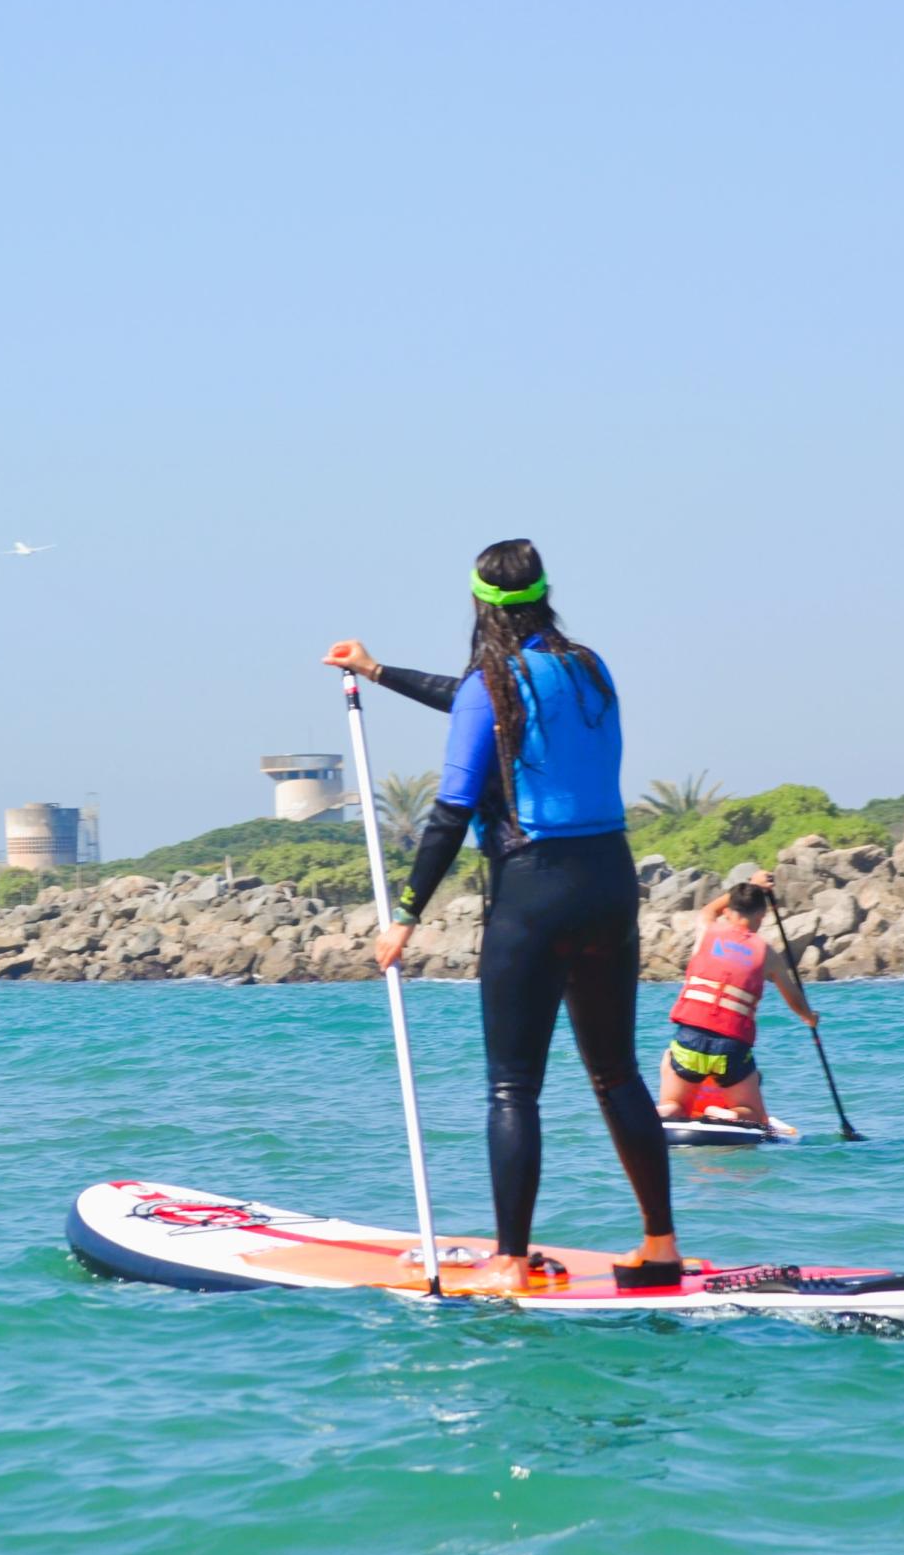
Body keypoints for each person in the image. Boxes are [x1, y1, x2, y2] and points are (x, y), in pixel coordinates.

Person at [325, 538, 680, 1294]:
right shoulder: (589, 667)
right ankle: (660, 1246)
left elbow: (452, 808)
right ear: (545, 595)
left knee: (513, 1088)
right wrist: (378, 671)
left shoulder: (492, 684)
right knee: (617, 1073)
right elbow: (478, 701)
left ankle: (511, 1260)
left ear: (480, 604)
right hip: (610, 881)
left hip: (534, 890)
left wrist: (406, 915)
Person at [655, 874, 816, 1128]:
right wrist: (809, 1017)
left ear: (729, 911)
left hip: (689, 1039)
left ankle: (661, 1111)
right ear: (761, 916)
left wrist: (752, 885)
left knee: (676, 1105)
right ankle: (727, 1114)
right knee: (755, 1116)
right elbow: (794, 999)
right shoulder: (767, 954)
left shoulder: (707, 930)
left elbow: (709, 910)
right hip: (730, 1048)